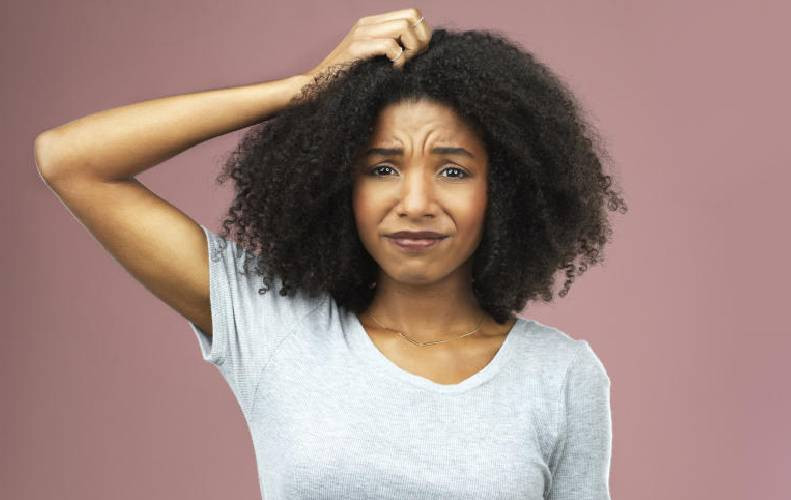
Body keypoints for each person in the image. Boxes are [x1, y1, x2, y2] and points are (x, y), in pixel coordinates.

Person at [35, 7, 626, 499]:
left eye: (452, 170)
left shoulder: (560, 375)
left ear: (507, 189)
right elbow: (71, 161)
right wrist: (306, 89)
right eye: (383, 168)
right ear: (339, 182)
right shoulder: (275, 323)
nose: (415, 203)